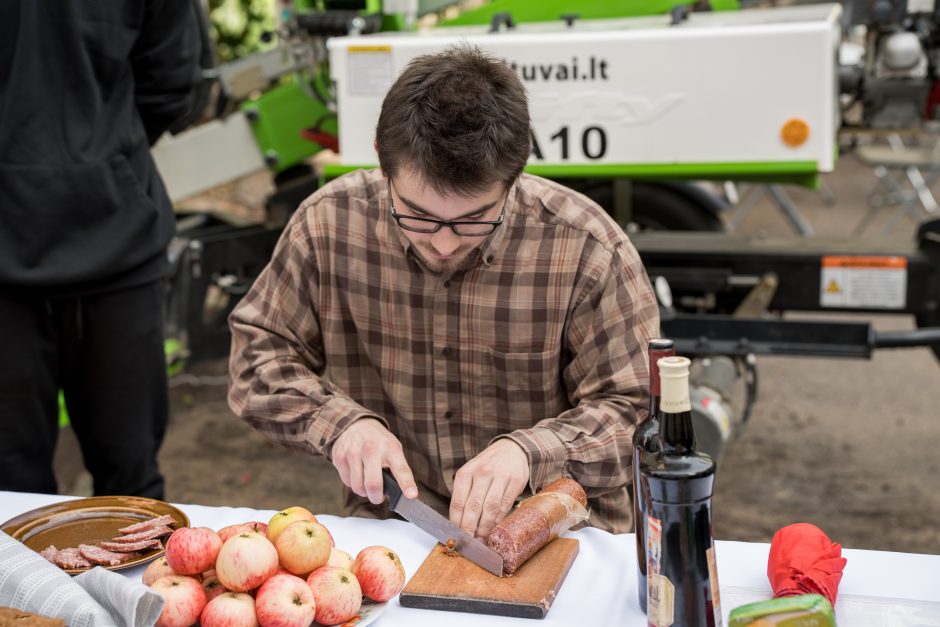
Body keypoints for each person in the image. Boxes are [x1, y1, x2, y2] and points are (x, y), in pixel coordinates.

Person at [228, 45, 659, 537]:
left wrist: (531, 453)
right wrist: (339, 424)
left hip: (559, 530)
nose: (444, 242)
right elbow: (255, 358)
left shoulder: (586, 247)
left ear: (513, 177)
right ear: (381, 160)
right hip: (396, 529)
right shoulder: (327, 225)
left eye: (475, 219)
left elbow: (638, 411)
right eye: (416, 215)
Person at [0, 1, 200, 498]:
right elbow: (172, 82)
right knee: (15, 492)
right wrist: (103, 152)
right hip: (101, 228)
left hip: (118, 251)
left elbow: (171, 77)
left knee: (128, 487)